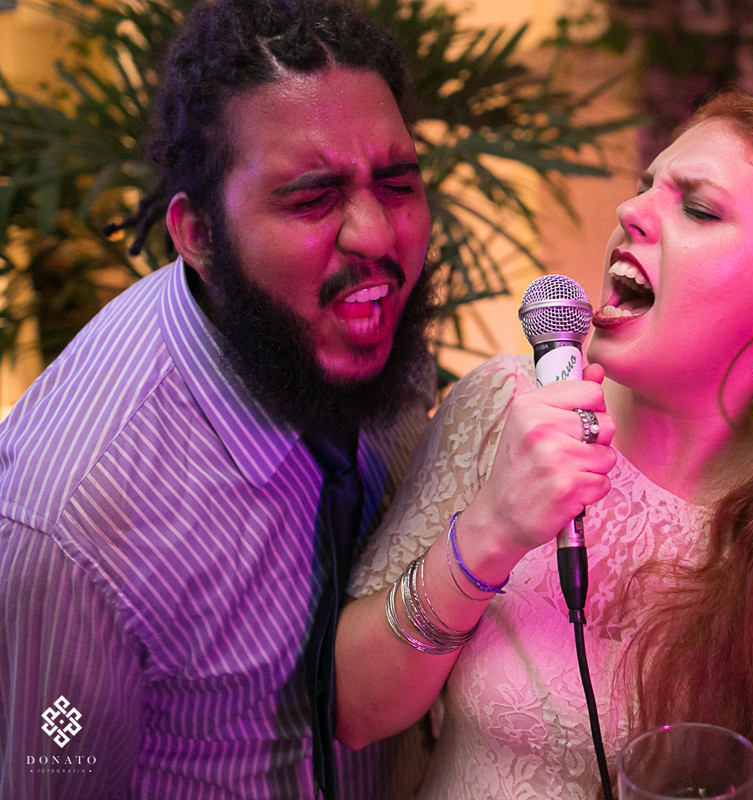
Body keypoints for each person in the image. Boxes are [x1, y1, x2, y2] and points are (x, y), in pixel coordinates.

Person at [338, 90, 753, 800]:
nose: (633, 212)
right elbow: (352, 709)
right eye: (645, 186)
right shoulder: (506, 407)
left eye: (699, 208)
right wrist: (491, 532)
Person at [0, 1, 439, 797]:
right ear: (197, 235)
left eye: (398, 182)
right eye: (311, 199)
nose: (376, 236)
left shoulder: (371, 327)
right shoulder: (76, 522)